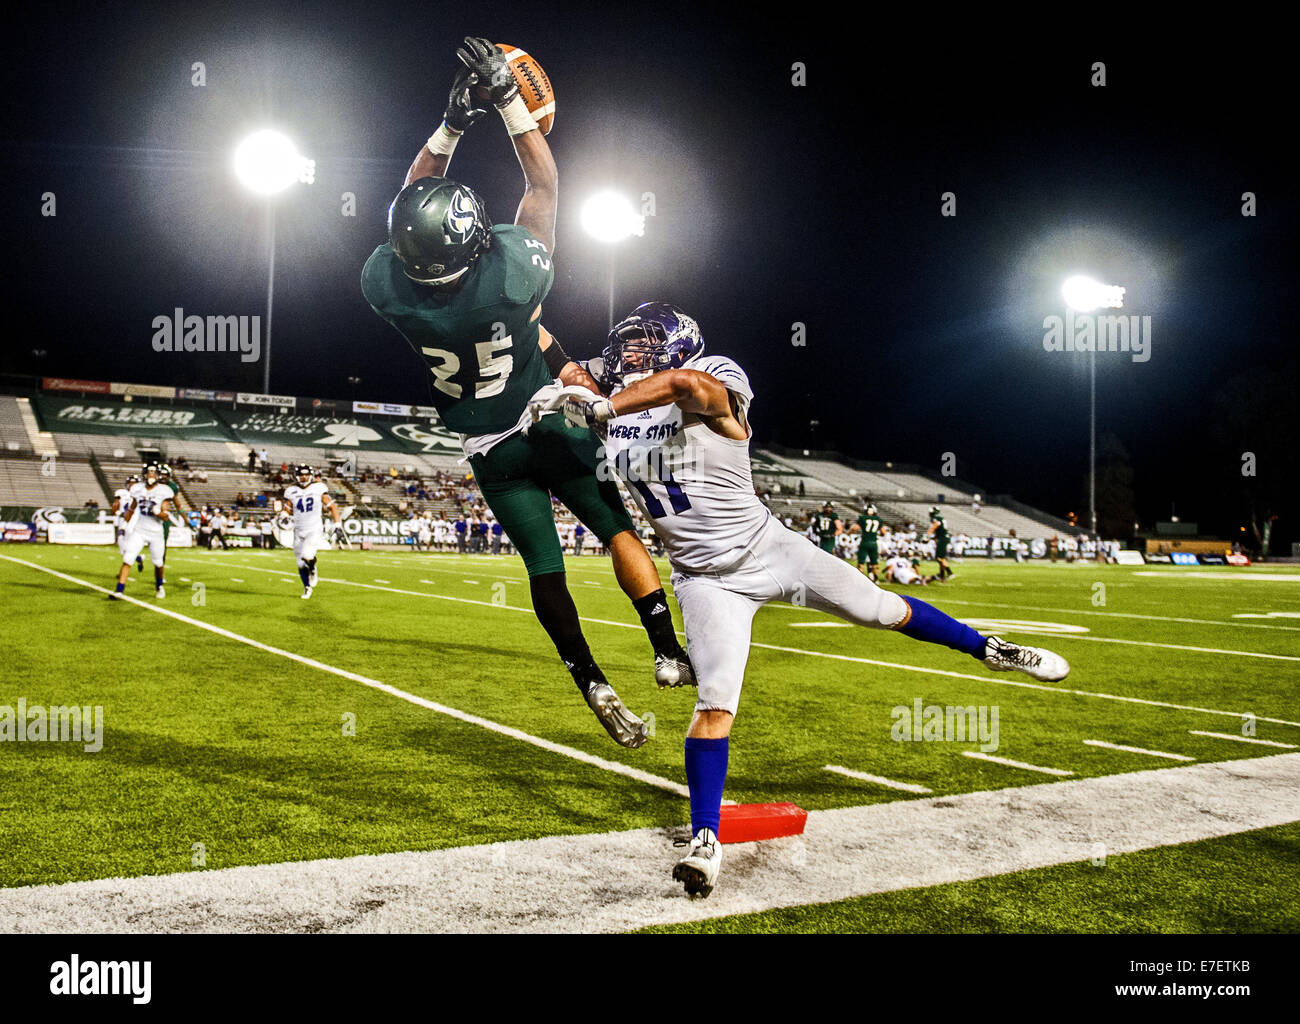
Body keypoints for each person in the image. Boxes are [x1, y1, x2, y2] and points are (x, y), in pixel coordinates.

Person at [547, 301, 1070, 899]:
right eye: (626, 345)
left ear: (675, 344)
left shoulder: (708, 373)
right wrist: (536, 339)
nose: (629, 354)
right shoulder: (616, 397)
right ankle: (705, 839)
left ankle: (991, 649)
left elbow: (688, 387)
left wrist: (604, 402)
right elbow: (562, 360)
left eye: (643, 344)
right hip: (703, 578)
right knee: (715, 704)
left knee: (880, 608)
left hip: (768, 547)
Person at [360, 38, 692, 748]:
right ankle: (665, 651)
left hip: (489, 451)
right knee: (615, 531)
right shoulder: (513, 279)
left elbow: (408, 202)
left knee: (544, 568)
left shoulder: (387, 288)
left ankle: (590, 680)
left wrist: (447, 128)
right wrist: (509, 103)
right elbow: (544, 190)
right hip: (548, 423)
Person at [111, 463, 172, 599]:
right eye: (149, 473)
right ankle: (119, 590)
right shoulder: (137, 489)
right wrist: (126, 520)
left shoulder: (164, 490)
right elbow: (132, 508)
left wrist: (158, 512)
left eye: (154, 473)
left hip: (156, 533)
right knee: (127, 558)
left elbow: (166, 515)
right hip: (139, 530)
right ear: (144, 475)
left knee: (158, 563)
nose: (151, 476)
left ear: (157, 475)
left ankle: (159, 585)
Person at [282, 465, 343, 599]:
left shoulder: (318, 488)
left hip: (314, 528)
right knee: (300, 563)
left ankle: (313, 568)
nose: (303, 477)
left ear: (310, 475)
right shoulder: (291, 490)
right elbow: (286, 508)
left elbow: (332, 507)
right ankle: (307, 587)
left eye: (306, 474)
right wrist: (284, 516)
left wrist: (338, 525)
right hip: (298, 530)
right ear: (296, 476)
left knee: (307, 554)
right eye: (301, 474)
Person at [111, 473, 144, 572]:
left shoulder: (141, 494)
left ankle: (122, 573)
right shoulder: (122, 493)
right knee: (122, 548)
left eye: (134, 483)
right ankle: (138, 558)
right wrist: (115, 510)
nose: (132, 485)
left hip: (133, 522)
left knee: (128, 546)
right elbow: (115, 505)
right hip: (123, 520)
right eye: (130, 483)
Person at [856, 502, 883, 581]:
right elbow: (883, 532)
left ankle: (860, 580)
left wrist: (848, 533)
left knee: (861, 562)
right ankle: (876, 580)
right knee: (874, 563)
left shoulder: (863, 518)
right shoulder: (878, 519)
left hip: (865, 542)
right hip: (874, 543)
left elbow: (855, 528)